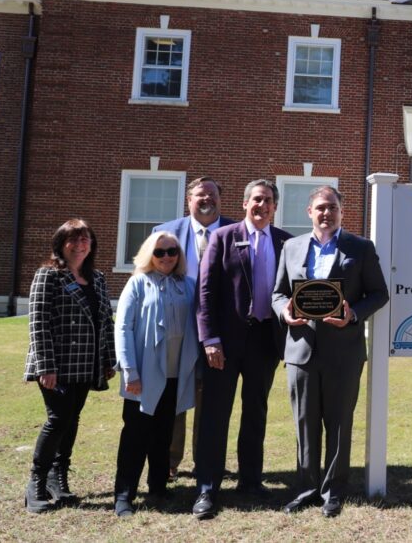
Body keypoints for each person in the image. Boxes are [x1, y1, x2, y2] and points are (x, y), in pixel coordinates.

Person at [272, 186, 389, 517]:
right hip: (301, 350)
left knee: (339, 423)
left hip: (343, 351)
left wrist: (352, 314)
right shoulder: (292, 247)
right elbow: (278, 293)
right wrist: (284, 312)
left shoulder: (360, 248)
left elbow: (379, 293)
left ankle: (333, 492)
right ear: (309, 212)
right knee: (304, 422)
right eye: (321, 207)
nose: (327, 213)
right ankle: (306, 489)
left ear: (341, 212)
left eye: (333, 207)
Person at [192, 179, 292, 520]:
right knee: (215, 414)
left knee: (256, 412)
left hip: (266, 342)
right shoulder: (223, 237)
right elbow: (205, 292)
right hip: (225, 343)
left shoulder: (285, 242)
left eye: (268, 200)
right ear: (245, 203)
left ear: (275, 207)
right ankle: (207, 488)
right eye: (256, 200)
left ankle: (250, 481)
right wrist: (210, 339)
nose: (262, 206)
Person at [22, 219, 117, 513]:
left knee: (72, 419)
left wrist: (108, 359)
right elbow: (38, 323)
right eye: (73, 239)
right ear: (61, 244)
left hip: (86, 364)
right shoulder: (48, 275)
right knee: (58, 419)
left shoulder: (97, 278)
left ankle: (58, 477)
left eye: (85, 239)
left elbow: (105, 321)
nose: (79, 245)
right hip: (57, 365)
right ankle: (36, 483)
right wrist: (45, 366)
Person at [153, 176, 234, 481]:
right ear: (188, 200)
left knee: (211, 400)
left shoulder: (236, 232)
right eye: (200, 194)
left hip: (219, 332)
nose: (206, 199)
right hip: (177, 331)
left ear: (220, 199)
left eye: (212, 194)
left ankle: (206, 461)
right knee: (173, 396)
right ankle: (168, 460)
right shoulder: (165, 233)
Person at [113, 232, 199, 516]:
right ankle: (124, 495)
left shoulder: (188, 285)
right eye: (159, 252)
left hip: (176, 374)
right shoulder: (138, 283)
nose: (166, 257)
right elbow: (123, 327)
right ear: (149, 254)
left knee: (164, 434)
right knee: (135, 436)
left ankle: (158, 487)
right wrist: (130, 371)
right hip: (143, 374)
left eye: (172, 251)